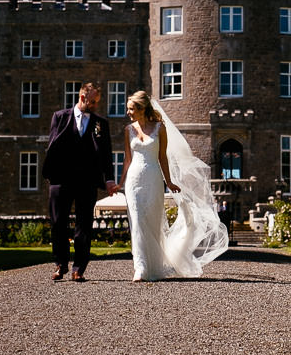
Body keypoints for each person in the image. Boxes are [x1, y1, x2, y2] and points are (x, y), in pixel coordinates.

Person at [117, 90, 229, 281]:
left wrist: (168, 181)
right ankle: (140, 267)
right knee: (136, 222)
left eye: (131, 109)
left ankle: (154, 266)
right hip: (134, 180)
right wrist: (120, 182)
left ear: (142, 109)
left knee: (151, 222)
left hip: (153, 178)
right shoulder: (128, 130)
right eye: (127, 109)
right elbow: (127, 159)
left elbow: (162, 157)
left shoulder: (160, 128)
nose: (128, 112)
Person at [42, 82, 116, 282]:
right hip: (60, 179)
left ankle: (78, 269)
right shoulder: (60, 117)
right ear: (82, 97)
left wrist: (109, 179)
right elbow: (52, 146)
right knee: (58, 223)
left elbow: (106, 155)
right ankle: (60, 264)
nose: (95, 105)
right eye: (92, 102)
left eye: (97, 102)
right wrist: (50, 174)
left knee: (84, 224)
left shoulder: (101, 123)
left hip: (87, 181)